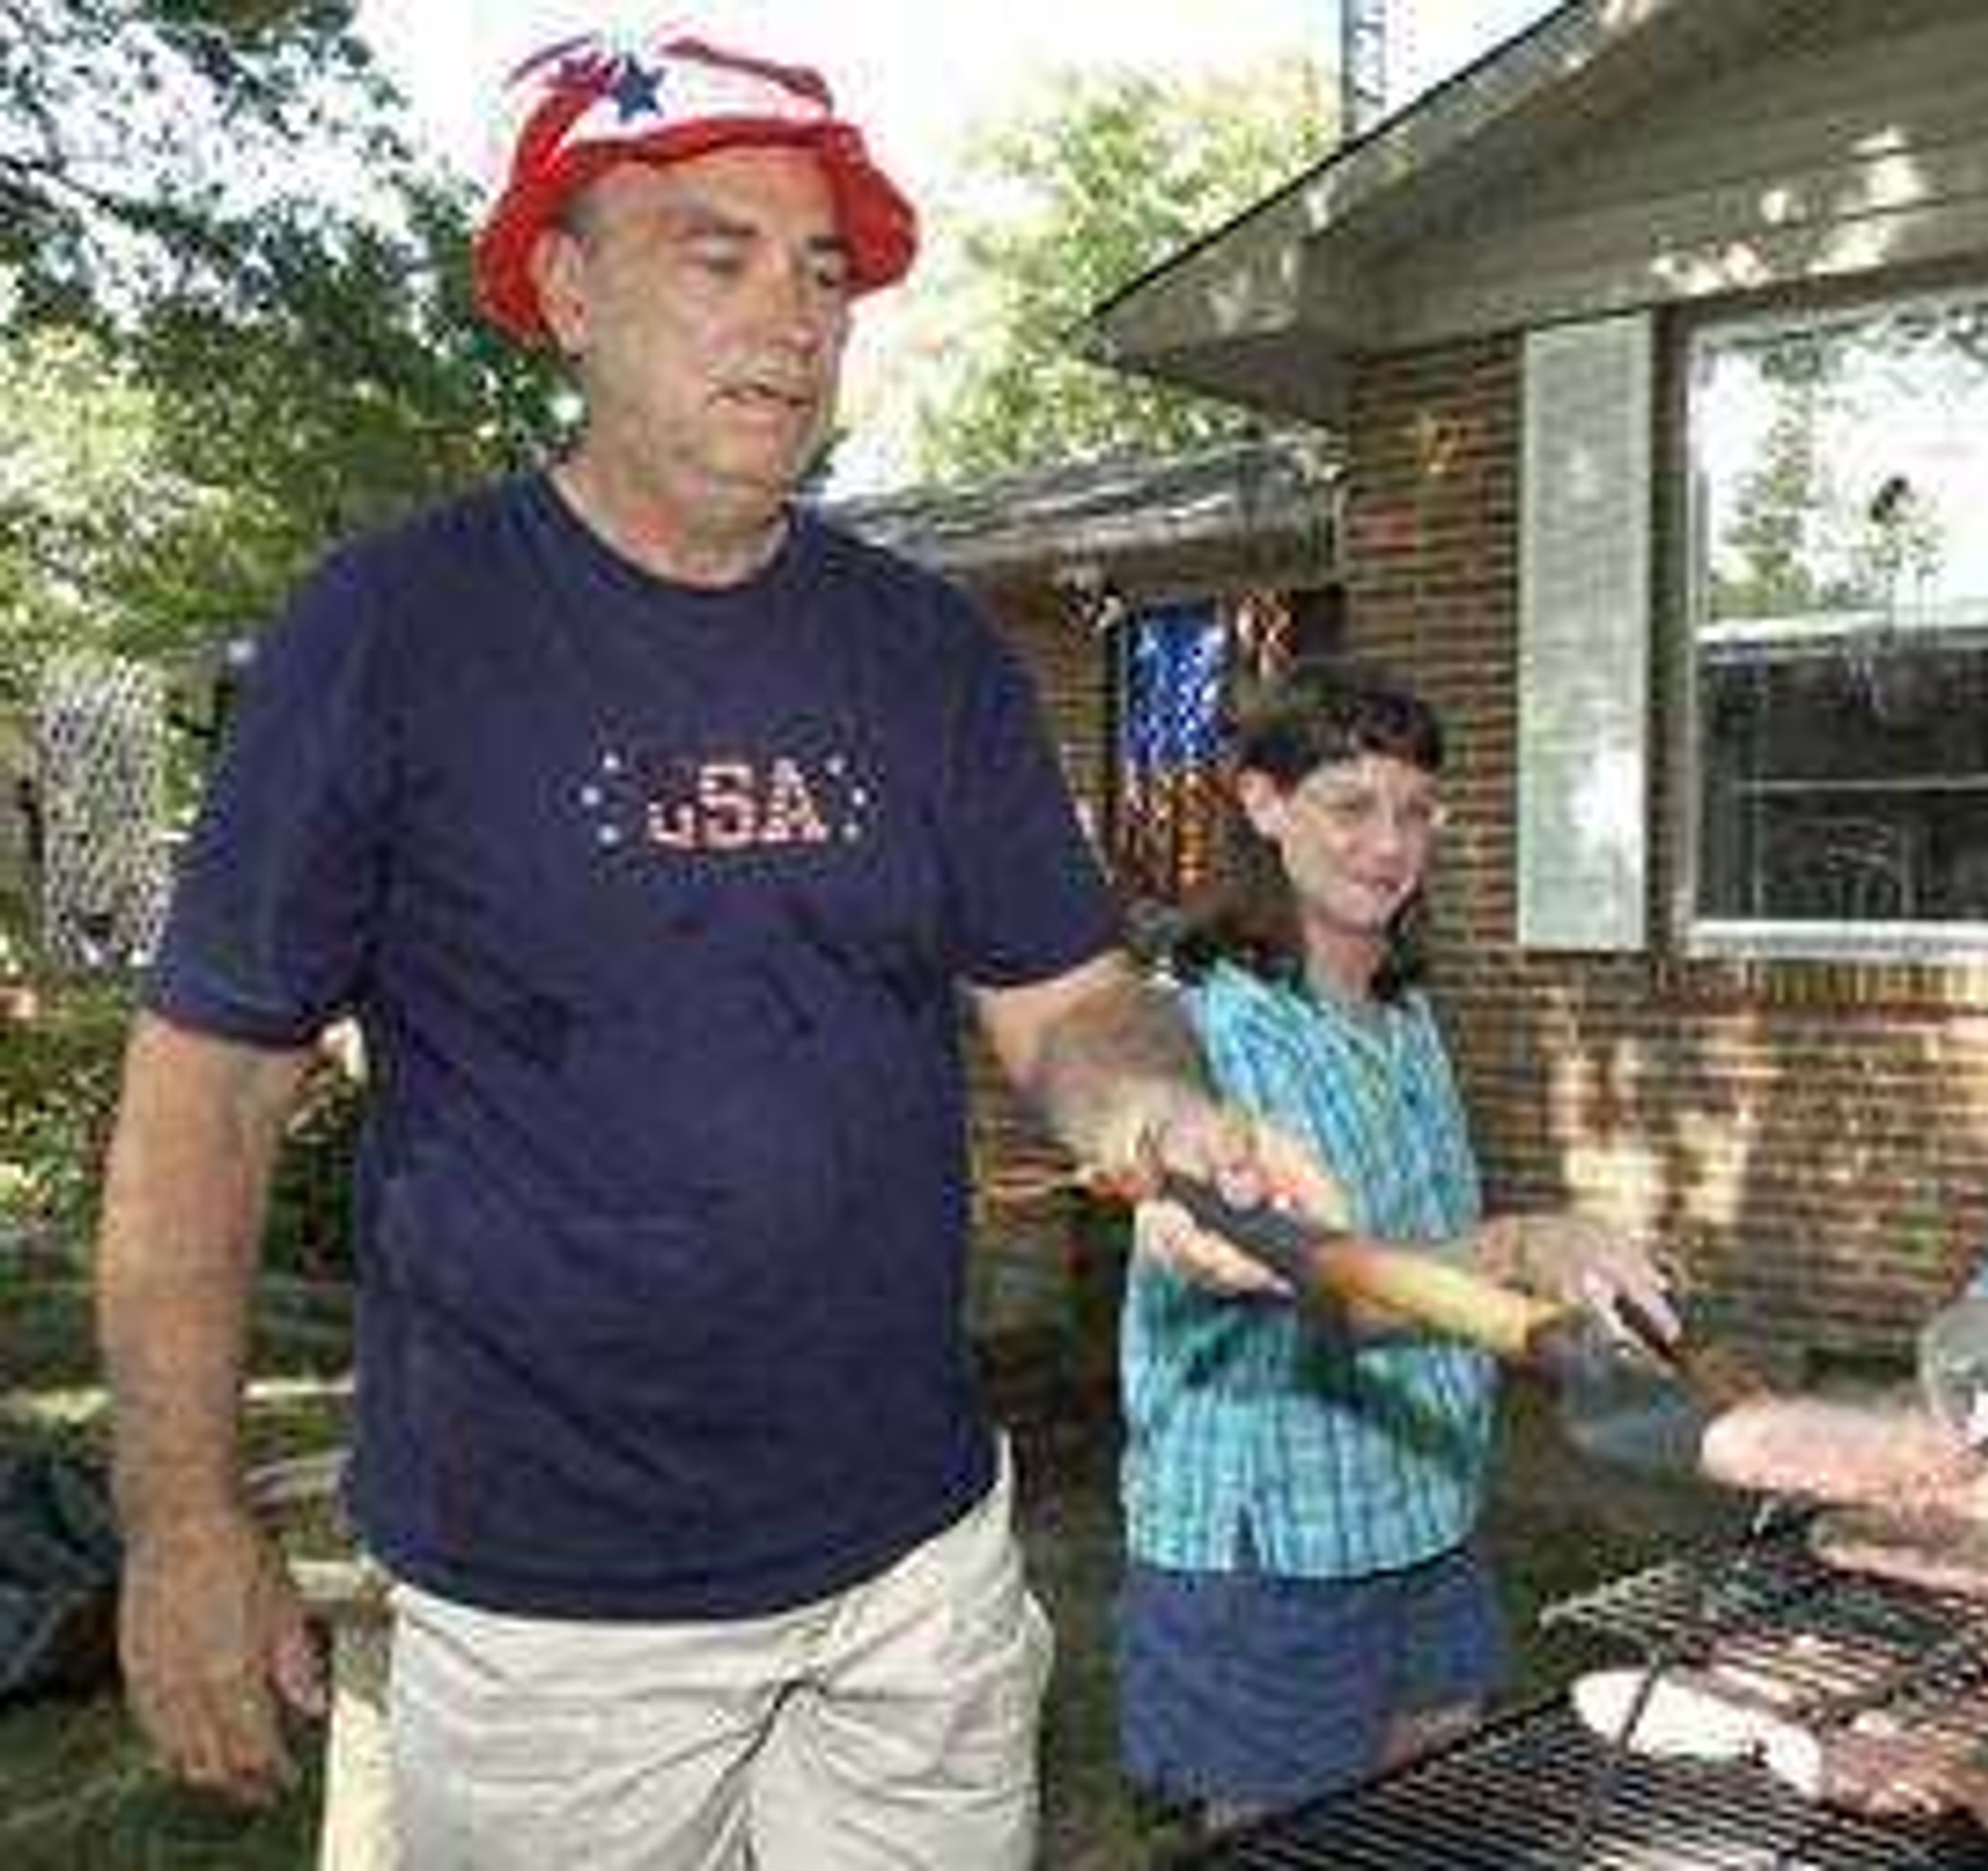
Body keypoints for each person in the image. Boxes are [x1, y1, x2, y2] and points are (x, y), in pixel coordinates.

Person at [93, 30, 1325, 1869]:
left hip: (913, 1565)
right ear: (566, 289)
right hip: (552, 1611)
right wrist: (182, 1520)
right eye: (718, 252)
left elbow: (1071, 995)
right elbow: (209, 1090)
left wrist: (1163, 1113)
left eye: (824, 271)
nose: (795, 315)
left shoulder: (930, 655)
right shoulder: (395, 628)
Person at [1115, 661, 1676, 1832]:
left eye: (1415, 809)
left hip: (1422, 1510)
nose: (1389, 843)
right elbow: (1334, 1284)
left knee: (1430, 1817)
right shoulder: (1197, 1023)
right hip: (1269, 1546)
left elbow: (1426, 1245)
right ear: (1263, 803)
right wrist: (1528, 1240)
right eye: (1350, 804)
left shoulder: (1402, 1009)